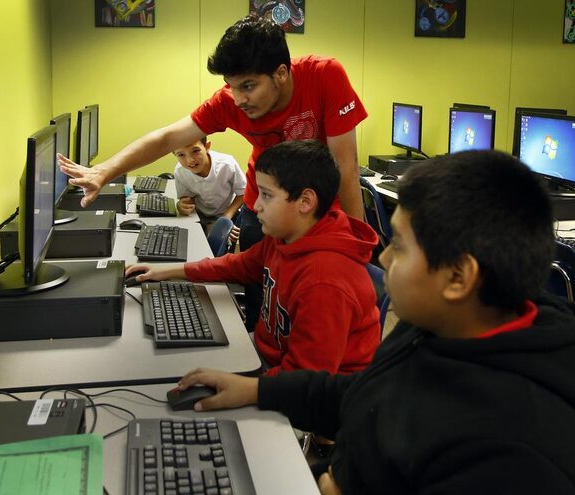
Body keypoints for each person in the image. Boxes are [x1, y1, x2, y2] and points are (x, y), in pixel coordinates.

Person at [174, 150, 575, 494]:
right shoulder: (438, 325)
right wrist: (257, 388)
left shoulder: (514, 453)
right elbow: (363, 393)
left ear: (458, 278)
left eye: (399, 247)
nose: (382, 258)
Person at [59, 15, 368, 332]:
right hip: (264, 206)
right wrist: (104, 172)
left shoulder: (324, 75)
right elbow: (168, 138)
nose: (238, 99)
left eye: (248, 86)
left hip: (317, 210)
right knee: (264, 304)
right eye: (231, 87)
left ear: (281, 73)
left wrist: (357, 247)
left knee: (320, 307)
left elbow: (345, 167)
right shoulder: (230, 102)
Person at [127, 140, 380, 375]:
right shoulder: (284, 236)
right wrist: (166, 271)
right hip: (267, 352)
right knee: (170, 362)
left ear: (305, 201)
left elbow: (307, 378)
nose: (255, 205)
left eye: (266, 195)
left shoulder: (326, 281)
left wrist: (246, 388)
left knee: (180, 374)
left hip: (304, 389)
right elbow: (238, 264)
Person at [172, 137, 246, 237]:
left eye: (195, 151)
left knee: (221, 244)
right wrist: (181, 206)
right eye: (181, 155)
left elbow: (243, 193)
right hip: (199, 215)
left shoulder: (227, 164)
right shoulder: (180, 171)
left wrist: (226, 218)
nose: (190, 160)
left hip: (228, 213)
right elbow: (188, 199)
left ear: (207, 146)